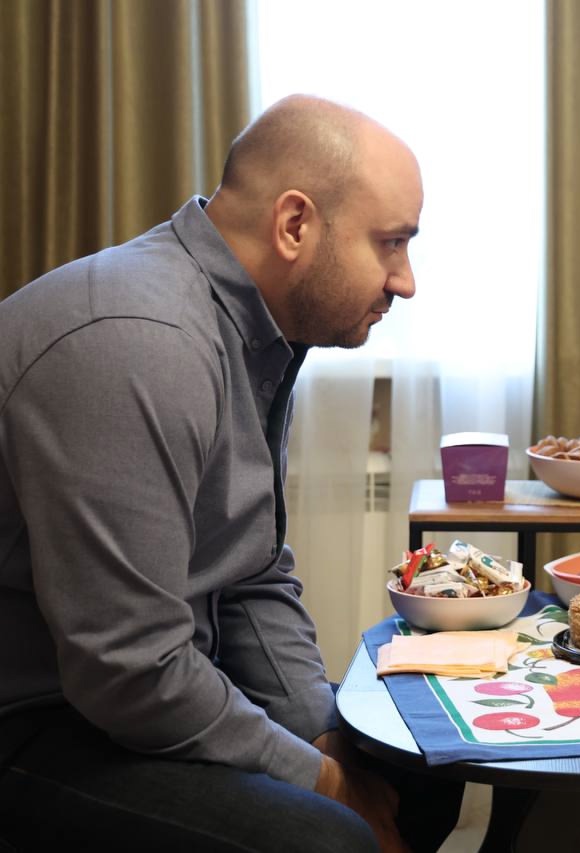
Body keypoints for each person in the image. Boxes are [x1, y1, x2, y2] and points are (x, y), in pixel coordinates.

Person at [0, 95, 460, 851]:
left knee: (422, 766)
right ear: (294, 224)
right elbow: (129, 671)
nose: (404, 281)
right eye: (390, 244)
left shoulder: (254, 331)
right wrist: (326, 784)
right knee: (332, 839)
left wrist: (324, 735)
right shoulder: (140, 343)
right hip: (40, 718)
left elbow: (249, 573)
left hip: (139, 687)